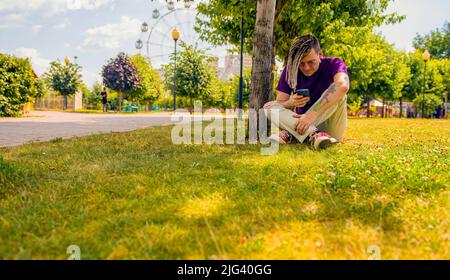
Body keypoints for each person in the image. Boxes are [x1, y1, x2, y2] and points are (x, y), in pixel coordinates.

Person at [264, 34, 350, 150]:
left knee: (339, 93)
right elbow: (280, 103)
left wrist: (310, 115)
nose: (306, 68)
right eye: (301, 63)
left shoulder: (334, 63)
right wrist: (290, 102)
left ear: (320, 54)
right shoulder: (290, 70)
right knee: (268, 107)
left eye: (311, 62)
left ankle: (292, 135)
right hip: (301, 124)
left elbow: (342, 86)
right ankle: (313, 135)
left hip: (329, 126)